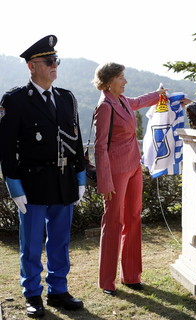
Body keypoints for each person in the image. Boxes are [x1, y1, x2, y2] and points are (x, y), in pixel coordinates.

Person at [0, 35, 86, 318]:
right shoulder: (14, 101)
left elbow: (76, 140)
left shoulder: (66, 98)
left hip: (63, 182)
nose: (54, 66)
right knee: (32, 244)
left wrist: (82, 176)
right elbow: (6, 148)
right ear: (32, 66)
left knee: (60, 241)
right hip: (32, 184)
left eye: (56, 60)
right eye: (49, 61)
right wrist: (14, 186)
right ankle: (33, 294)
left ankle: (58, 290)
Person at [92, 62, 167, 296]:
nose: (125, 82)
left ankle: (131, 276)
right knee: (113, 222)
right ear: (108, 81)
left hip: (134, 167)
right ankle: (107, 281)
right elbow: (99, 146)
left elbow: (138, 102)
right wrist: (104, 182)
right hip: (114, 172)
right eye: (121, 78)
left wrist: (159, 95)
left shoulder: (123, 100)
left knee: (134, 217)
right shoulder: (105, 106)